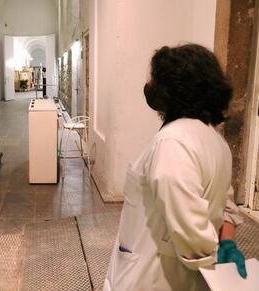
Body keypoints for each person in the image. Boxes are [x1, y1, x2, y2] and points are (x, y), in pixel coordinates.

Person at [104, 44, 245, 291]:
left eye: (155, 79)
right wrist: (226, 243)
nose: (149, 84)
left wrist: (209, 252)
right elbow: (227, 205)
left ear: (174, 88)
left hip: (151, 278)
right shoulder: (215, 141)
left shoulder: (172, 142)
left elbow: (191, 232)